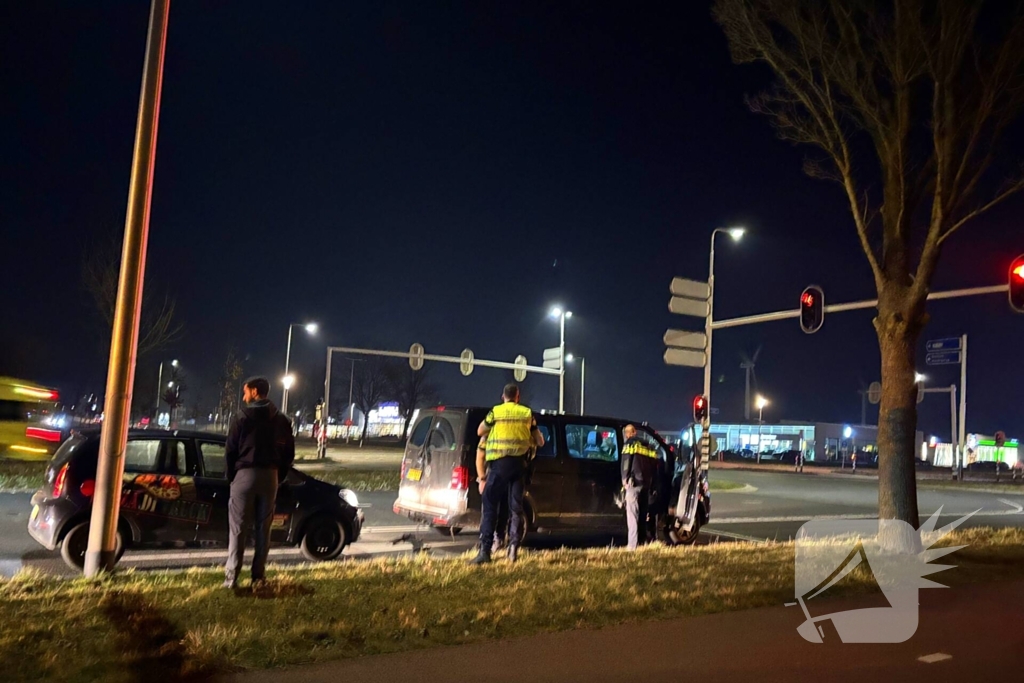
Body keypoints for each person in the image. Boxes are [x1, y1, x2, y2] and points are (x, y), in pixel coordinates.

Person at [223, 376, 295, 589]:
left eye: (246, 391)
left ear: (255, 391)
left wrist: (231, 477)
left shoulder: (241, 417)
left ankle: (231, 578)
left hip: (244, 474)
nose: (244, 396)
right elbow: (288, 453)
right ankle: (258, 576)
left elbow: (230, 450)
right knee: (264, 529)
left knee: (238, 528)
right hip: (270, 476)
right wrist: (278, 475)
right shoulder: (282, 420)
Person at [471, 383, 544, 565]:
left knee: (489, 504)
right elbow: (540, 441)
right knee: (515, 508)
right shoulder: (527, 414)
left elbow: (480, 431)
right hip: (519, 466)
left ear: (503, 396)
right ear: (518, 396)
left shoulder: (496, 412)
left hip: (500, 464)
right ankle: (513, 549)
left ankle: (485, 552)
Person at [621, 424, 658, 550]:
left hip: (634, 483)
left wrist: (624, 479)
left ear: (627, 434)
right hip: (646, 484)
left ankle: (632, 545)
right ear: (635, 432)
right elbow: (654, 464)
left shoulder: (629, 444)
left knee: (632, 515)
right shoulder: (647, 445)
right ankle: (642, 542)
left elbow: (626, 462)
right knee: (642, 515)